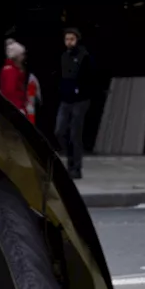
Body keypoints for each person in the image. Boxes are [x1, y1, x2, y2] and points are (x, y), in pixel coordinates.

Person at [54, 27, 96, 179]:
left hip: (80, 100)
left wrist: (82, 91)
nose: (69, 42)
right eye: (67, 39)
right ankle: (70, 161)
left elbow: (91, 77)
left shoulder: (84, 56)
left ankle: (75, 167)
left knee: (75, 134)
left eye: (72, 39)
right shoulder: (64, 56)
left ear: (77, 40)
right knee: (59, 131)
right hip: (66, 99)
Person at [0, 37, 40, 125]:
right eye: (22, 55)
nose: (24, 57)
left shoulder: (17, 70)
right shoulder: (10, 71)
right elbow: (10, 93)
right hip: (15, 109)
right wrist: (20, 109)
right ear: (17, 57)